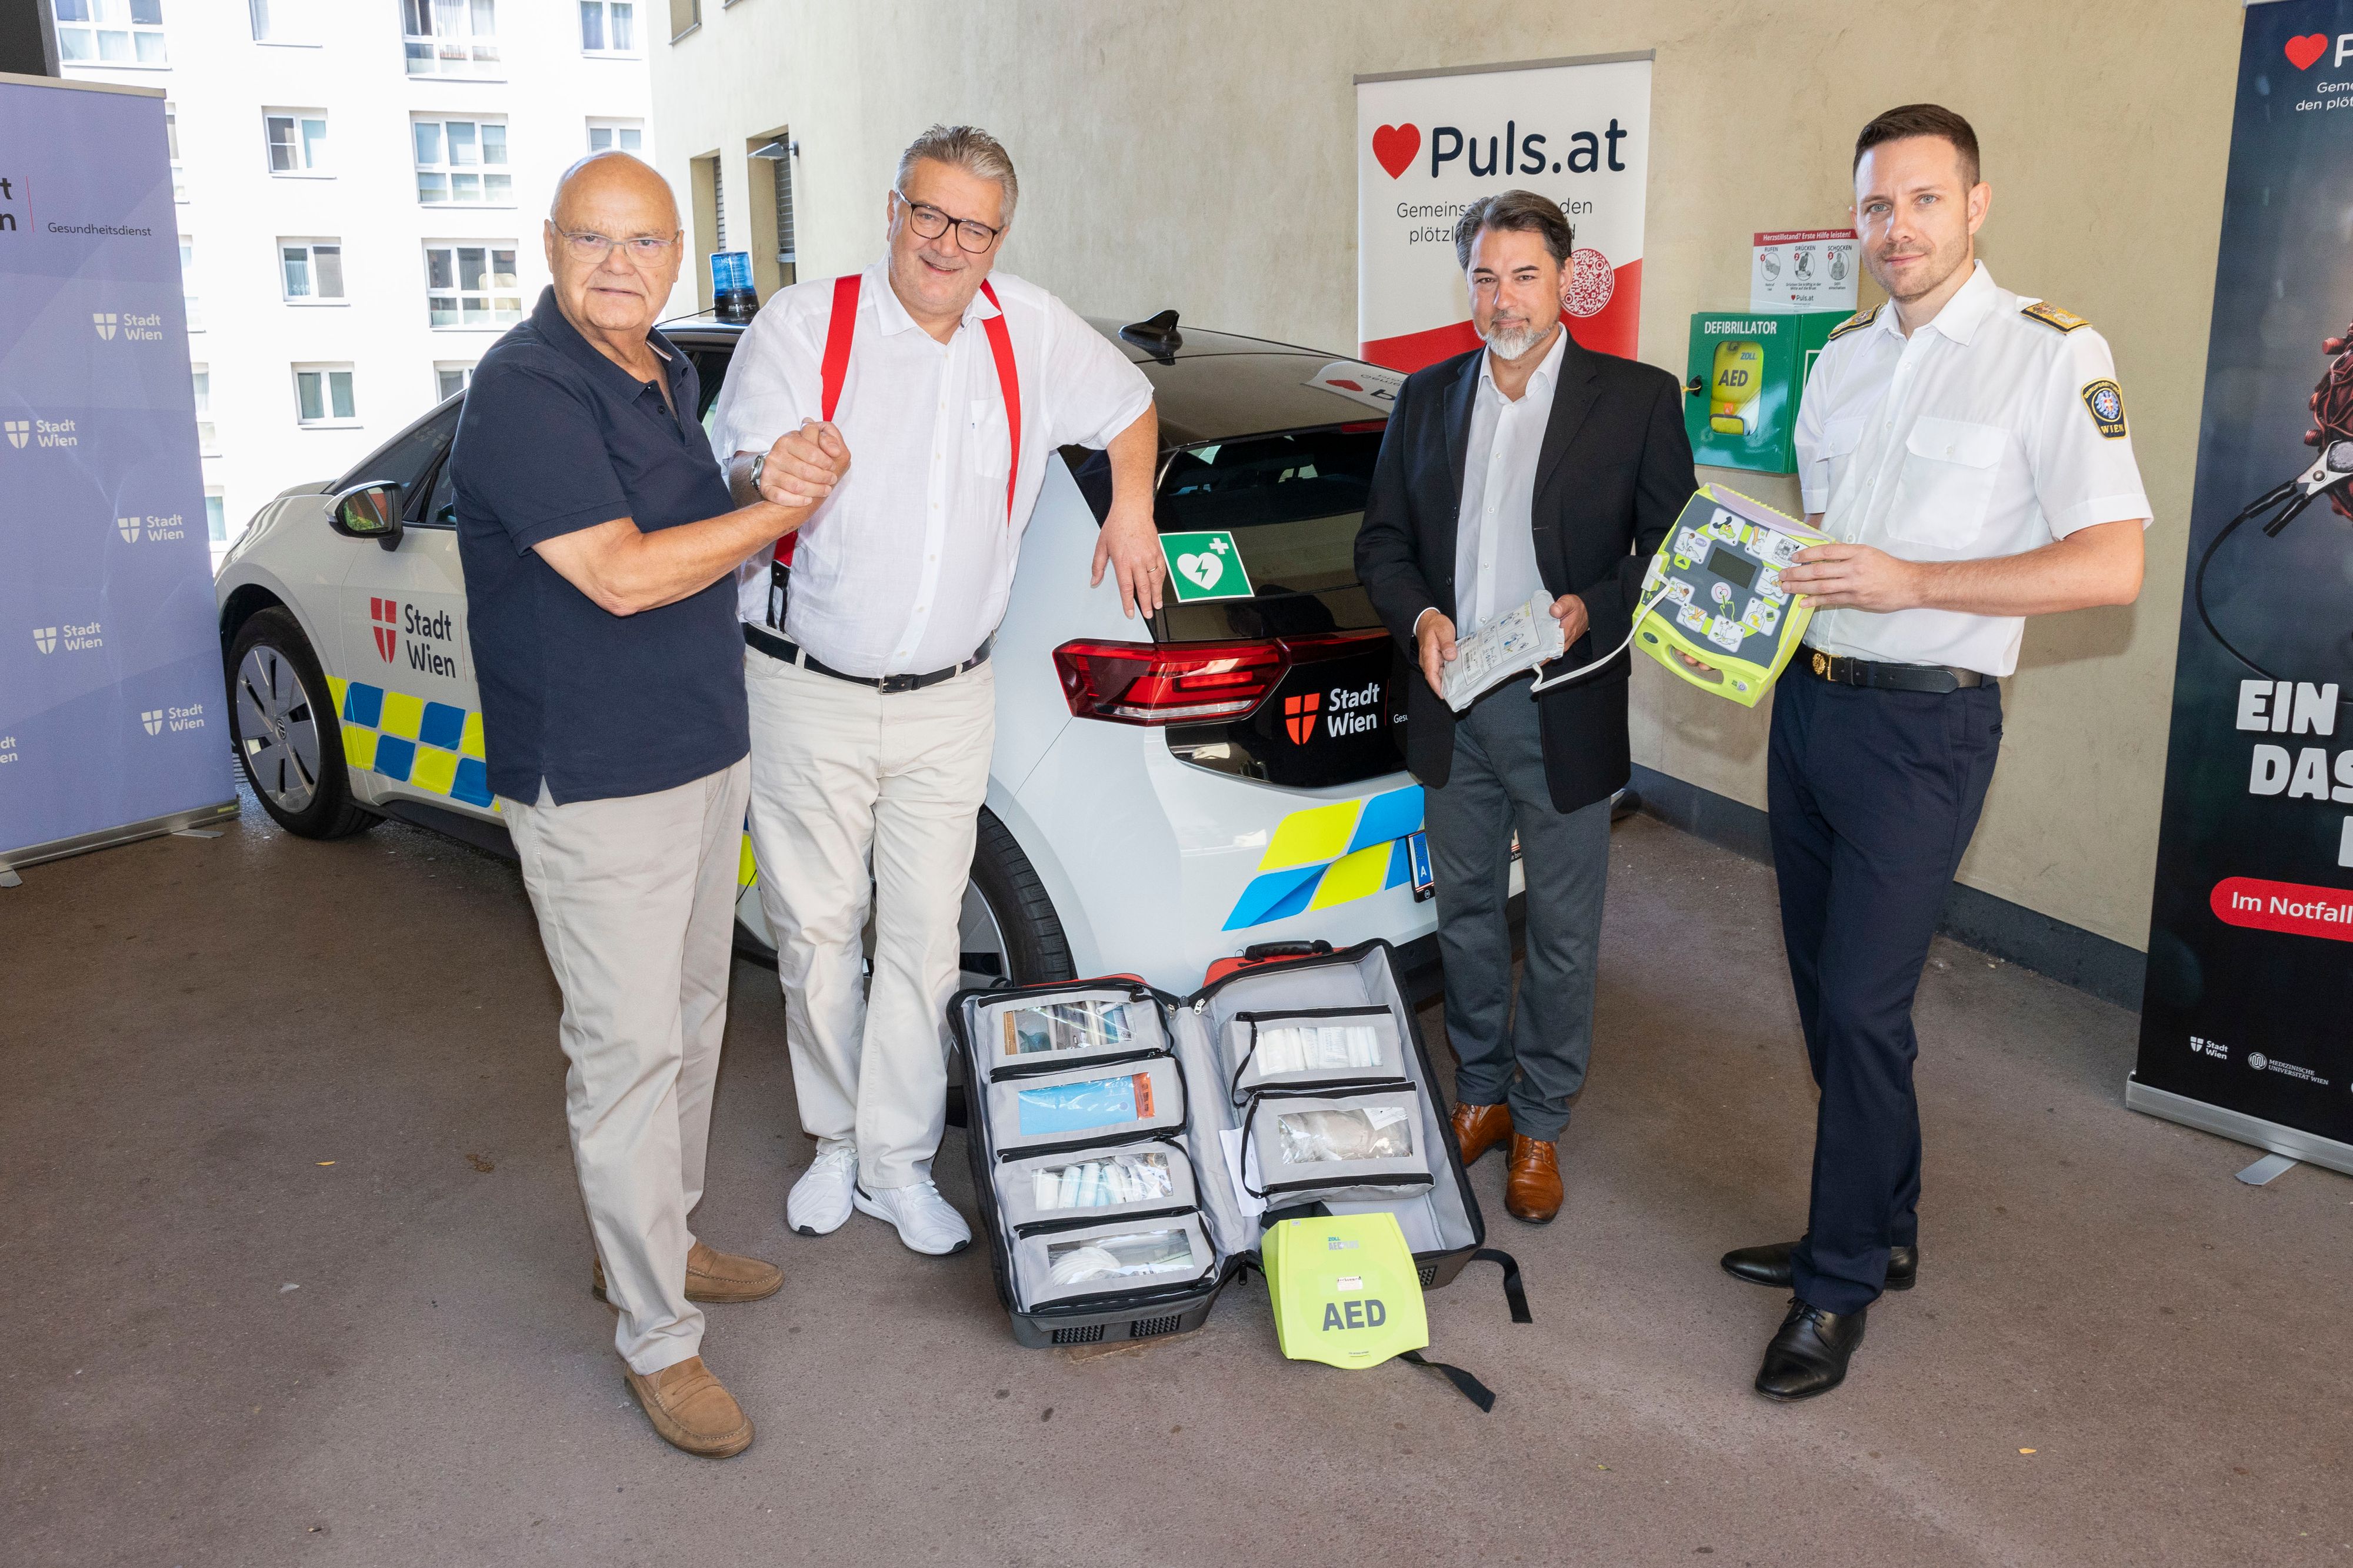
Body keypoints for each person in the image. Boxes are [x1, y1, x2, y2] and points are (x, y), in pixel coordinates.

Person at [1708, 105, 2147, 1400]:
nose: (1892, 230)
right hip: (1811, 707)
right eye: (1872, 208)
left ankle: (1834, 1286)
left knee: (1858, 1003)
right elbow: (1832, 543)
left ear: (1975, 205)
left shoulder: (2046, 357)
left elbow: (2110, 564)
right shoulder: (1841, 357)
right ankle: (1880, 1222)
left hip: (1925, 727)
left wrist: (1913, 582)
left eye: (1919, 202)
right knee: (1832, 1002)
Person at [452, 151, 851, 1457]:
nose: (619, 266)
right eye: (593, 240)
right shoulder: (522, 390)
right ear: (550, 244)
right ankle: (655, 1341)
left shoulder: (667, 370)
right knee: (624, 1056)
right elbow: (620, 575)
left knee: (684, 1020)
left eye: (644, 243)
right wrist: (778, 514)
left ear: (677, 256)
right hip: (597, 778)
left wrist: (755, 482)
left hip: (697, 748)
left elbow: (681, 518)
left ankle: (657, 1245)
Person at [712, 124, 1159, 1256]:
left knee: (919, 939)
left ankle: (901, 1161)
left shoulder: (1030, 328)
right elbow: (729, 461)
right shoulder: (807, 325)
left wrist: (1133, 504)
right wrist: (768, 473)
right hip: (805, 687)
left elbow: (1127, 405)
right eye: (930, 214)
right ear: (894, 210)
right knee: (817, 931)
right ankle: (833, 1144)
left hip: (951, 699)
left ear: (999, 238)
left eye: (975, 225)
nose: (948, 243)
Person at [1355, 191, 1695, 1224]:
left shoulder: (1635, 398)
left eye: (1525, 276)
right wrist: (1417, 616)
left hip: (1563, 704)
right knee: (1462, 917)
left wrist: (1596, 603)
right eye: (1486, 278)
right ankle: (1484, 1092)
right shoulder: (1424, 398)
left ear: (1564, 278)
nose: (1504, 299)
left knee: (1558, 928)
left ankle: (1542, 1118)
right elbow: (1382, 542)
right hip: (1455, 705)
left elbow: (1669, 549)